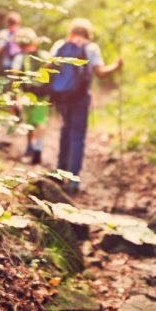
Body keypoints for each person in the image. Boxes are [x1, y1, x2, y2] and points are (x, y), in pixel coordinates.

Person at [48, 18, 122, 194]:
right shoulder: (91, 48)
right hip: (81, 96)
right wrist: (116, 66)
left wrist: (52, 91)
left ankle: (59, 172)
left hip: (63, 96)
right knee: (77, 135)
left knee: (65, 130)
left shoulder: (60, 44)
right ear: (88, 34)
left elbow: (48, 67)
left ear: (71, 31)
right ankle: (74, 180)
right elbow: (101, 73)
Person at [11, 28, 49, 165]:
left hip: (28, 93)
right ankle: (36, 149)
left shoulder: (20, 57)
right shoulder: (44, 55)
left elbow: (14, 78)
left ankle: (31, 149)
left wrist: (15, 96)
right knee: (39, 122)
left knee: (30, 122)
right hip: (42, 94)